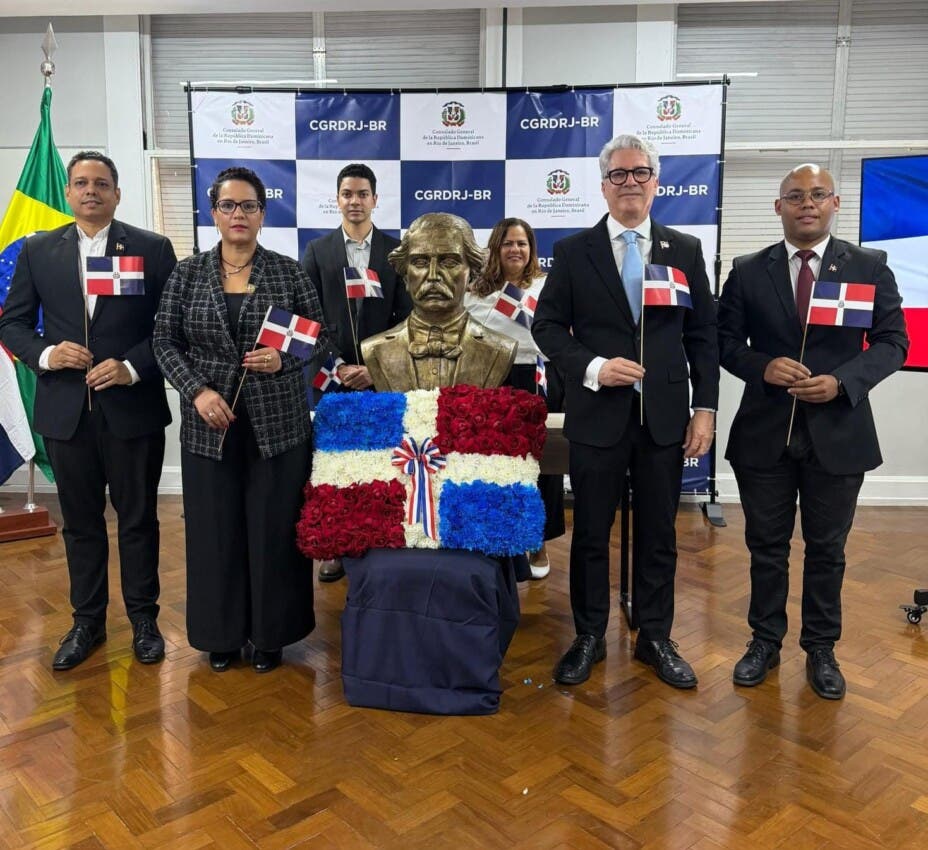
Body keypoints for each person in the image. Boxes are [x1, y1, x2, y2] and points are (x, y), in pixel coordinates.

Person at [533, 134, 719, 689]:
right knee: (591, 532)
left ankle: (655, 637)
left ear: (656, 182)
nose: (631, 181)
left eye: (641, 172)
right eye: (619, 174)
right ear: (604, 185)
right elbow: (546, 328)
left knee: (660, 533)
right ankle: (589, 635)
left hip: (665, 421)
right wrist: (591, 367)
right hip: (597, 418)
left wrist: (704, 408)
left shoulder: (683, 250)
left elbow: (704, 335)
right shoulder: (573, 252)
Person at [718, 163, 908, 700]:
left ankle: (821, 648)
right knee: (765, 547)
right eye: (795, 196)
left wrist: (844, 382)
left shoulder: (870, 267)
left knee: (828, 549)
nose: (807, 204)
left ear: (835, 204)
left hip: (839, 433)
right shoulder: (748, 270)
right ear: (778, 207)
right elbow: (725, 340)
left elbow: (895, 343)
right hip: (764, 435)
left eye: (818, 195)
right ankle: (764, 641)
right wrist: (762, 366)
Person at [0, 151, 176, 670]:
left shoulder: (151, 248)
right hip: (66, 412)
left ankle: (144, 619)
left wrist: (130, 366)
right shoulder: (38, 251)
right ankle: (87, 622)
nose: (90, 191)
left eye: (101, 183)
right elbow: (11, 325)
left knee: (139, 520)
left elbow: (170, 330)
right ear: (69, 193)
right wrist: (48, 355)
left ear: (117, 193)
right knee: (79, 524)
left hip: (132, 410)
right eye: (81, 183)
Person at [153, 166, 326, 674]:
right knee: (215, 532)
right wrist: (197, 390)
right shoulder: (186, 274)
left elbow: (317, 337)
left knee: (273, 531)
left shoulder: (288, 272)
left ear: (262, 214)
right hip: (210, 428)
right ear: (214, 212)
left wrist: (284, 359)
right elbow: (163, 342)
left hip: (279, 428)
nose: (238, 215)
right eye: (228, 205)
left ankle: (272, 636)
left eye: (248, 206)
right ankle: (221, 635)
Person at [301, 163, 412, 582]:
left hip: (380, 379)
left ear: (375, 200)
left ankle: (380, 540)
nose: (354, 201)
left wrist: (372, 368)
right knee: (335, 466)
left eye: (362, 194)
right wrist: (339, 365)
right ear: (337, 199)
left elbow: (407, 320)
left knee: (382, 463)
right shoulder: (318, 251)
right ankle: (334, 547)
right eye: (347, 193)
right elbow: (306, 319)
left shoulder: (396, 252)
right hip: (332, 379)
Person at [465, 217, 565, 579]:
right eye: (508, 242)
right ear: (496, 247)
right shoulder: (474, 291)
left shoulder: (547, 285)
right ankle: (498, 541)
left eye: (522, 243)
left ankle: (537, 540)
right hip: (494, 379)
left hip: (538, 377)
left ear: (531, 249)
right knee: (495, 462)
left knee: (542, 462)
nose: (515, 249)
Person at [361, 212, 517, 391]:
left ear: (472, 275)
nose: (433, 276)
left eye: (449, 262)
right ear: (405, 276)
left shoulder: (500, 349)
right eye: (420, 262)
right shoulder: (374, 349)